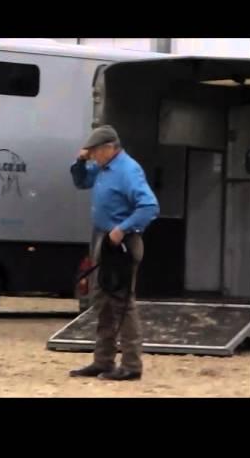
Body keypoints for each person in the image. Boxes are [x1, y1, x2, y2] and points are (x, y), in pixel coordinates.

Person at [69, 125, 159, 381]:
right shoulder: (102, 168)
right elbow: (80, 181)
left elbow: (150, 206)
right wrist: (80, 160)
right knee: (102, 301)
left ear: (110, 148)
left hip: (122, 242)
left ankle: (131, 364)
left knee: (122, 302)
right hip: (103, 240)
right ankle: (103, 360)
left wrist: (123, 228)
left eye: (96, 151)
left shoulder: (128, 171)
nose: (93, 156)